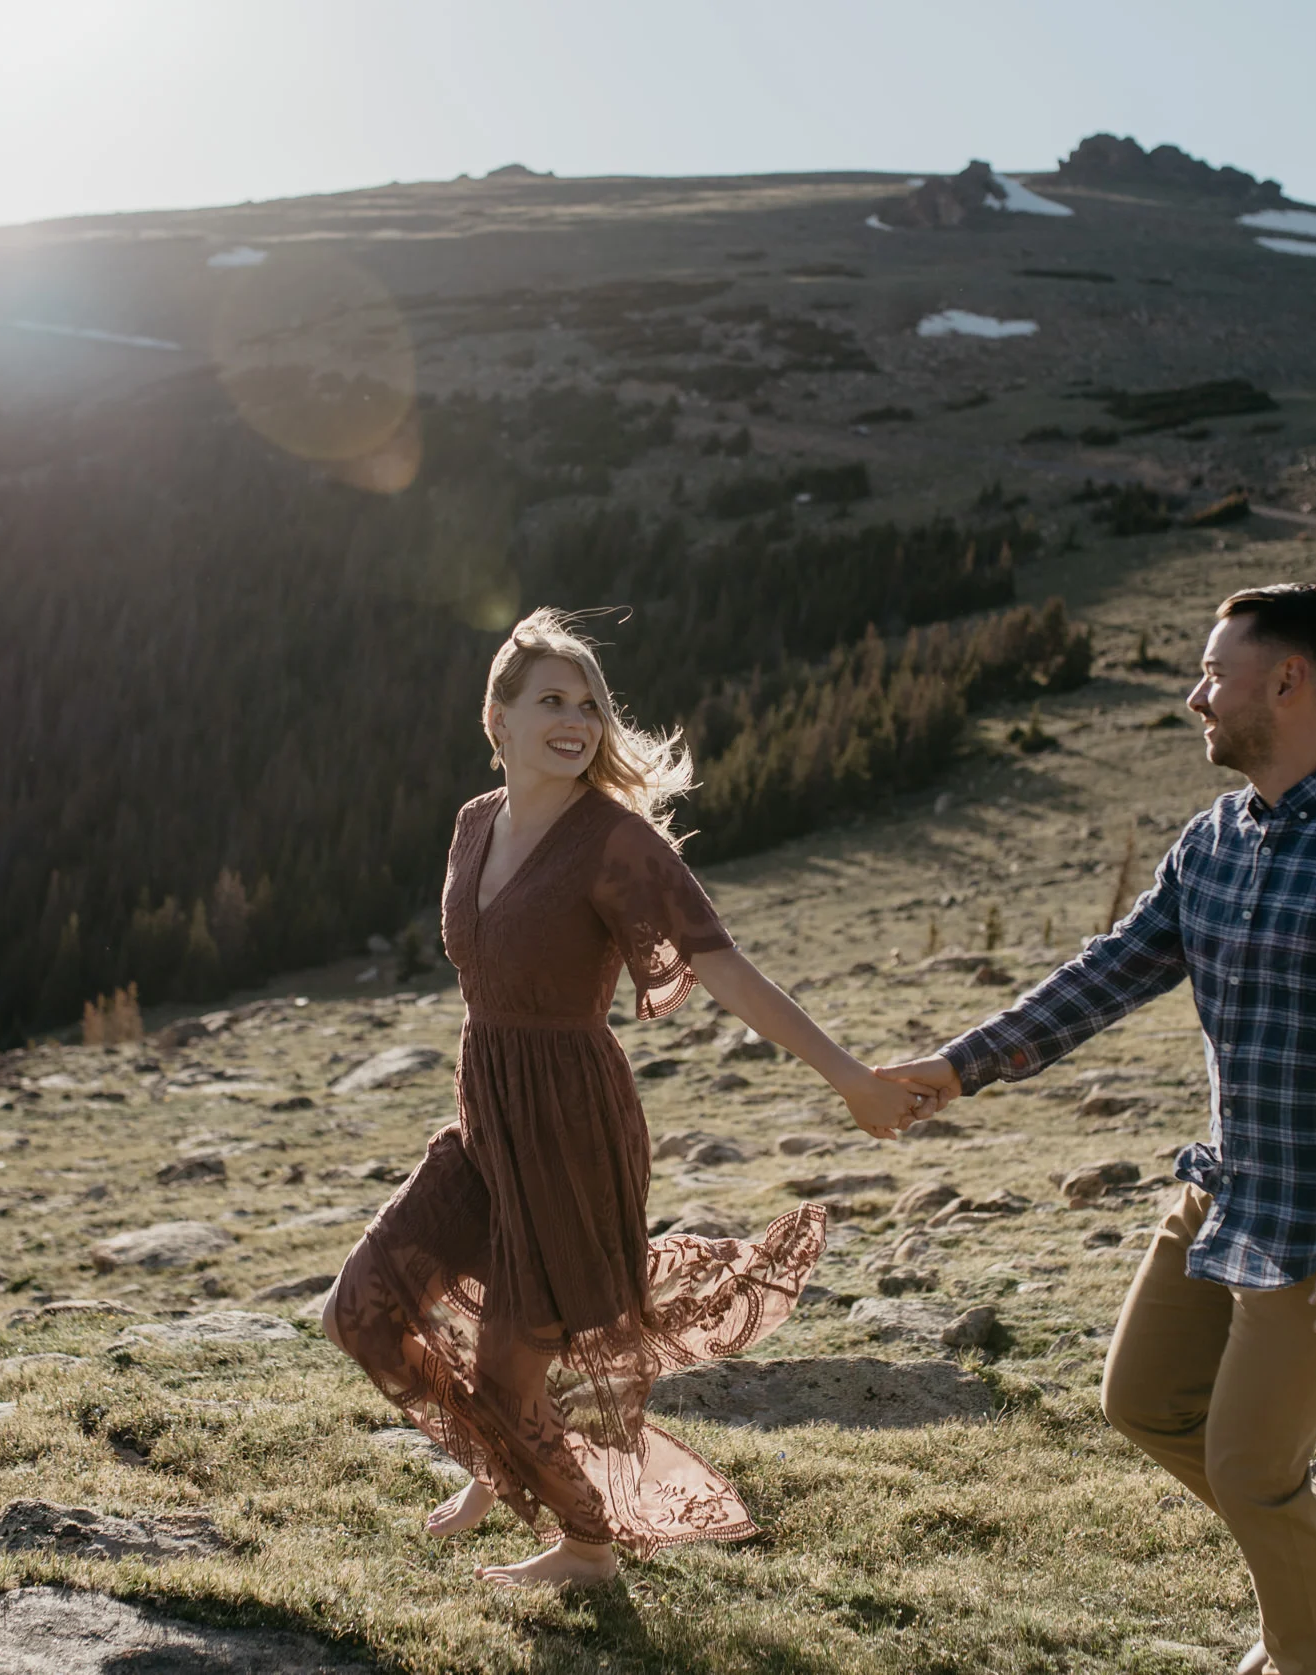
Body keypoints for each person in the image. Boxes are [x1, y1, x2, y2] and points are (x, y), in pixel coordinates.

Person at [882, 583, 1316, 1675]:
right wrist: (956, 1066)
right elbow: (1111, 971)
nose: (1196, 695)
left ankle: (1309, 1648)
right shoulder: (1212, 839)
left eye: (1215, 673)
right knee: (1144, 1401)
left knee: (1254, 1468)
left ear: (1288, 681)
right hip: (1223, 1192)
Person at [324, 608, 926, 1590]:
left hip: (568, 1128)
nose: (575, 721)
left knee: (511, 1373)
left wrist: (849, 1075)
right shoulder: (476, 823)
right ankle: (500, 1459)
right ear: (499, 717)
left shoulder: (615, 843)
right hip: (486, 1121)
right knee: (361, 1309)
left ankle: (586, 1548)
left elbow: (723, 968)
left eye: (589, 706)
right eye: (551, 701)